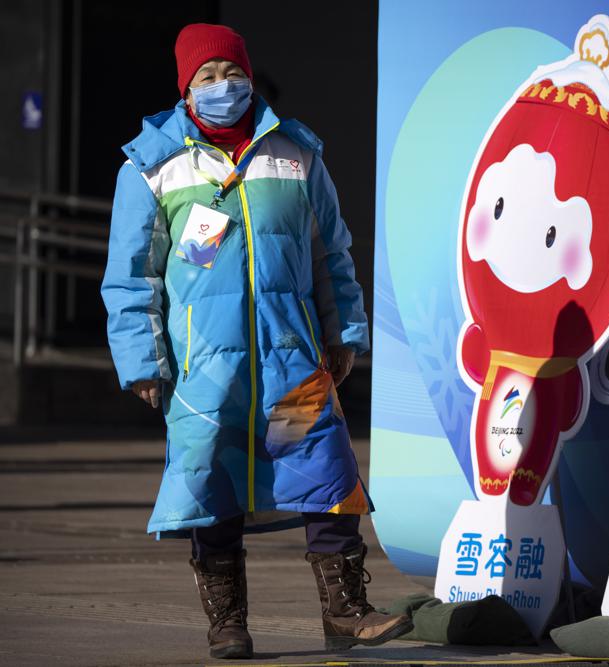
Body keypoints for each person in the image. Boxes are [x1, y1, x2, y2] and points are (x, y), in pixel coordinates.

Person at [100, 23, 411, 660]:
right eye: (206, 77)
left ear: (249, 74)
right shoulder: (152, 167)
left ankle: (345, 613)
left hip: (290, 358)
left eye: (231, 72)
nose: (223, 86)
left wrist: (344, 329)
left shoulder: (295, 155)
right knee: (208, 481)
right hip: (203, 368)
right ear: (186, 89)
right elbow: (130, 280)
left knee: (326, 474)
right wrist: (143, 360)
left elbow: (332, 253)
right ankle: (228, 624)